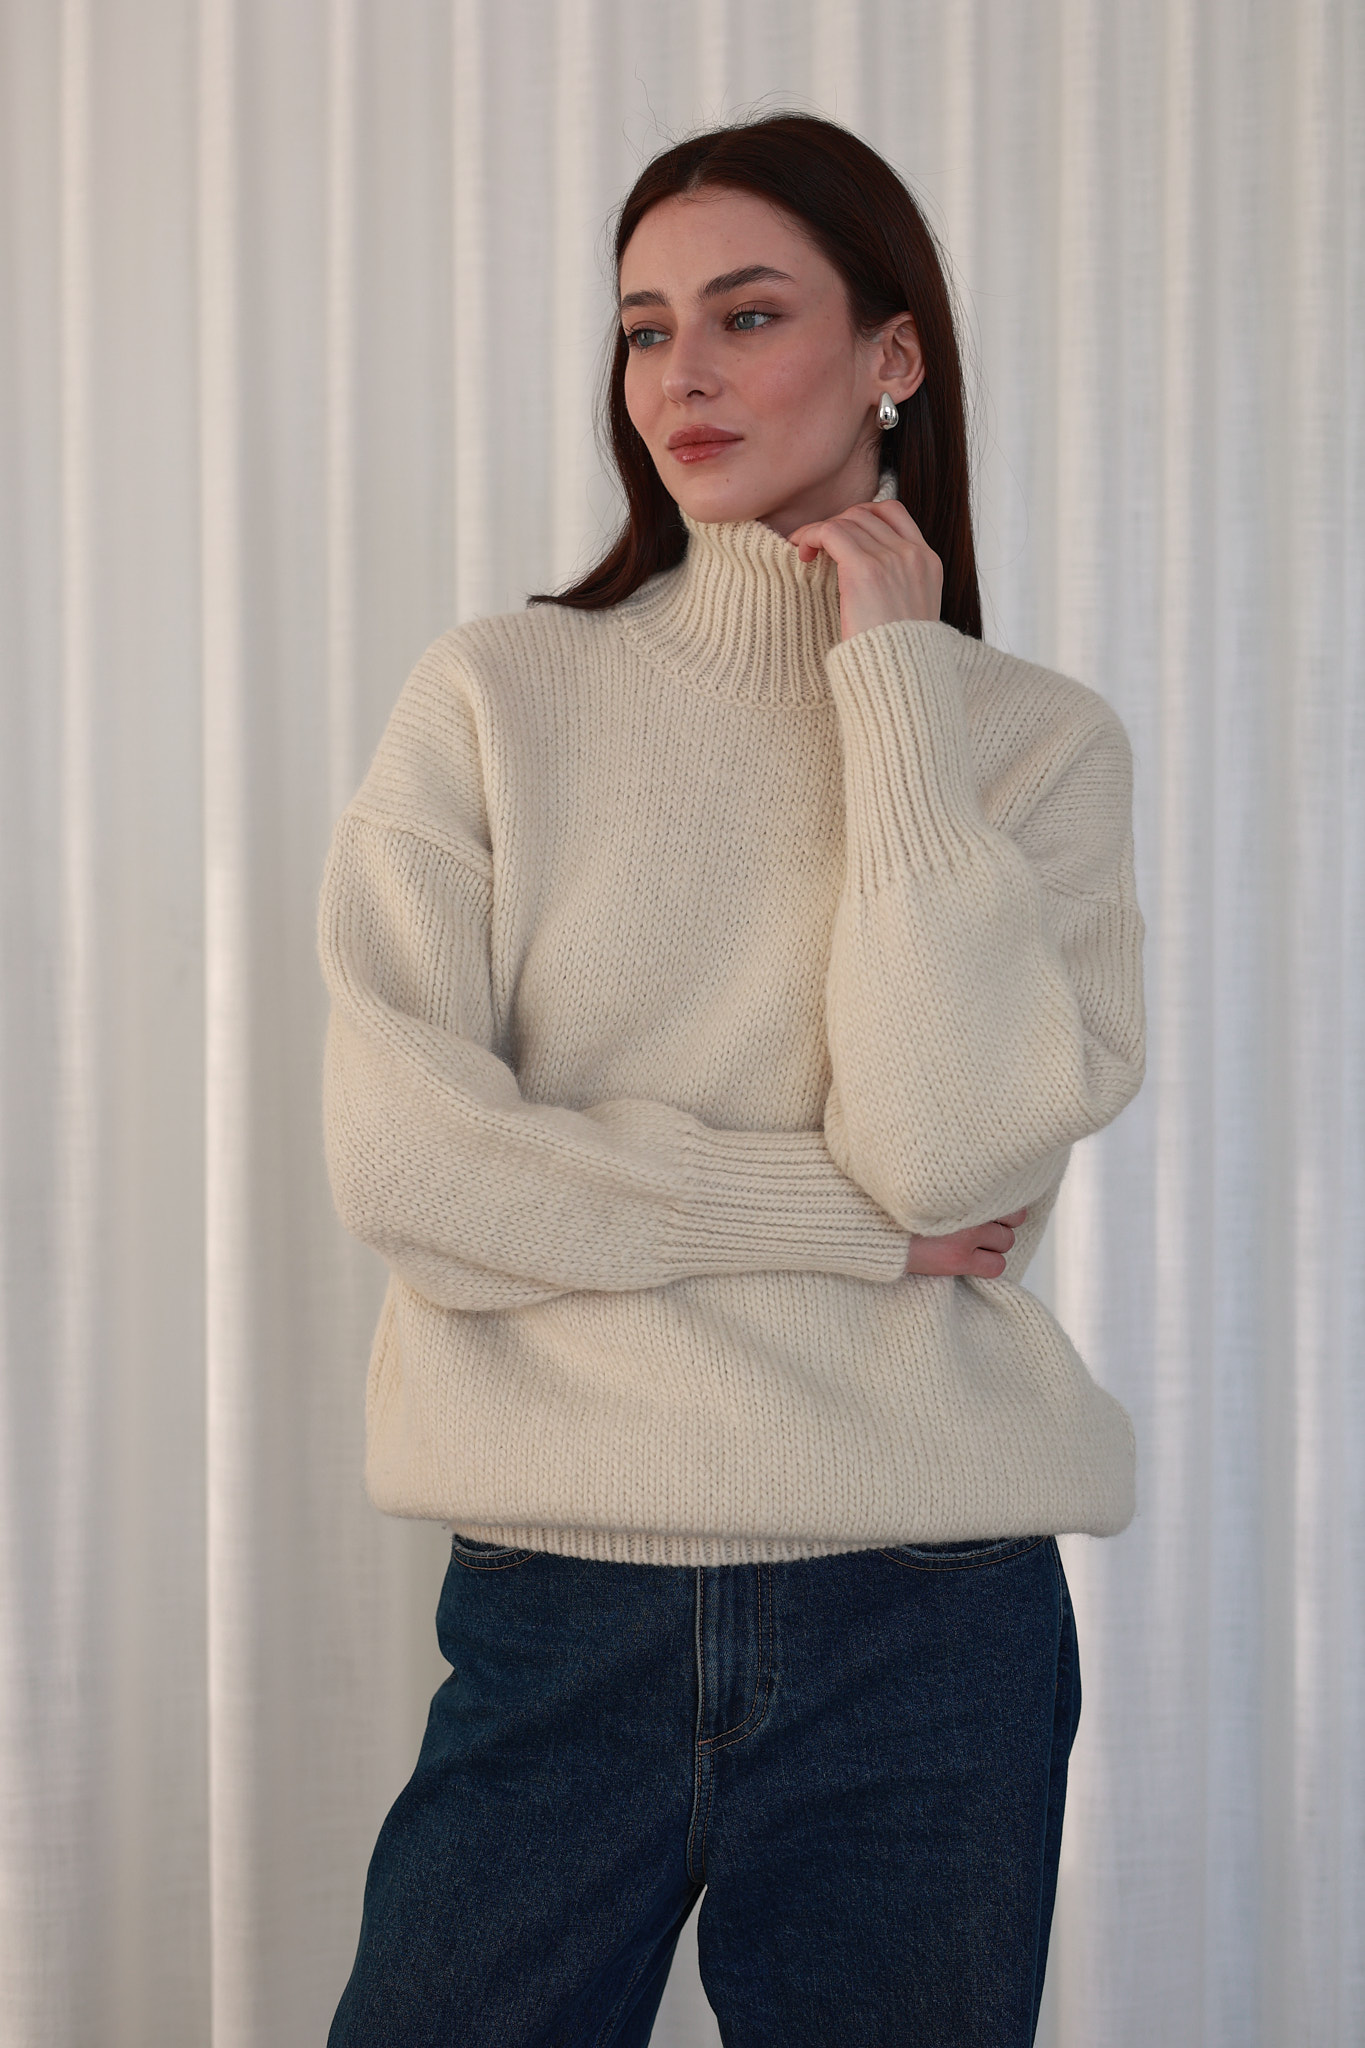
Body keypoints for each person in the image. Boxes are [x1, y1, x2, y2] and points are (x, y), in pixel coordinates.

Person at [318, 111, 1145, 2048]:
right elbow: (410, 1163)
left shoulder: (1033, 745)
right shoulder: (494, 695)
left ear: (890, 353)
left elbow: (951, 1143)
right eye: (642, 328)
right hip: (558, 1600)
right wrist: (838, 1225)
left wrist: (894, 686)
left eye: (745, 315)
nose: (676, 373)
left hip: (924, 1611)